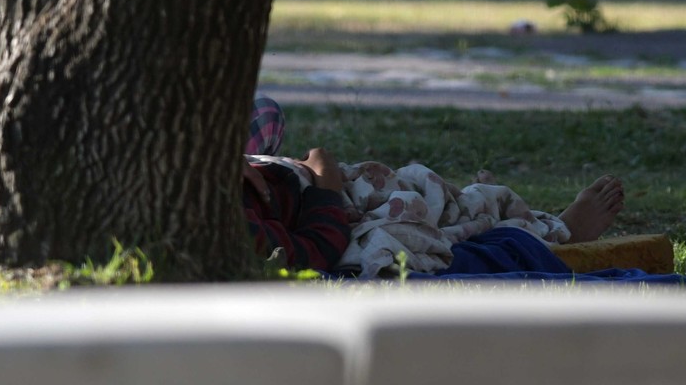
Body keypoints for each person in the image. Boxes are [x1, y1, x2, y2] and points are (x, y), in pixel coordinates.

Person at [242, 95, 626, 276]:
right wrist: (323, 180)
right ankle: (556, 230)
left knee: (265, 109)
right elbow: (315, 251)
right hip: (334, 198)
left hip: (286, 174)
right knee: (429, 204)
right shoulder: (235, 230)